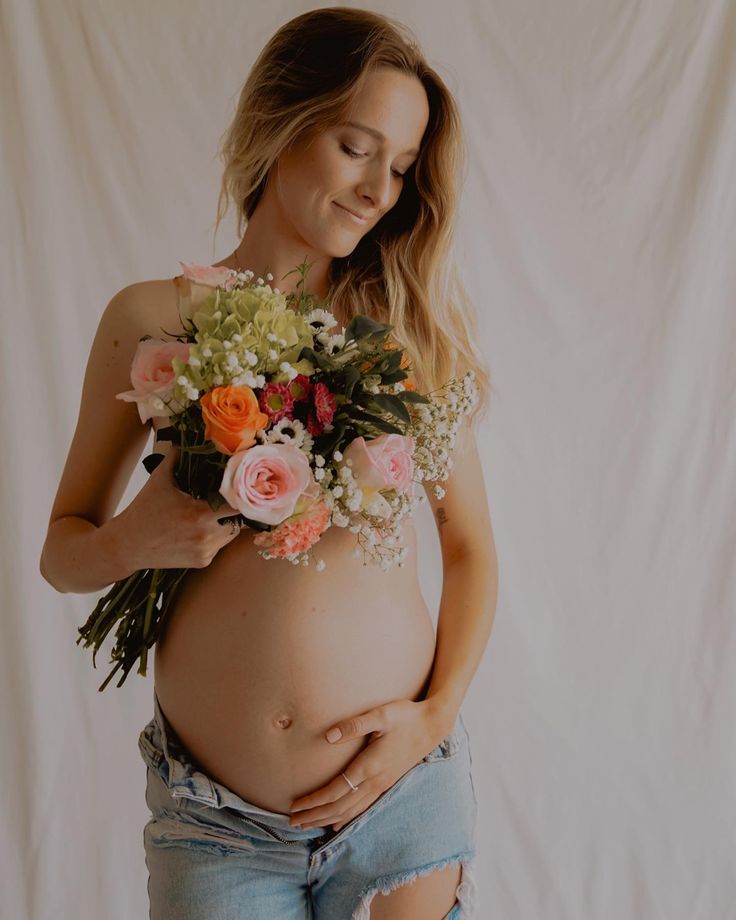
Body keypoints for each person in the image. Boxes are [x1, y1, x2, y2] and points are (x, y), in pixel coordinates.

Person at [40, 7, 497, 919]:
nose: (379, 190)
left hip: (397, 797)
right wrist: (134, 538)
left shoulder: (401, 338)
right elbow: (64, 553)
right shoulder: (153, 319)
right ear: (281, 125)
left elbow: (471, 551)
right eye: (356, 146)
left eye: (402, 168)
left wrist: (434, 717)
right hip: (217, 824)